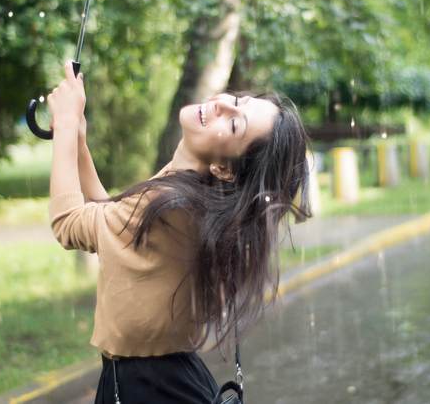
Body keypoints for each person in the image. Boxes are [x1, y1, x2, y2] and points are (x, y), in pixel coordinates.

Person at [47, 61, 311, 403]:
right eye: (239, 101)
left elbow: (69, 223)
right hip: (165, 379)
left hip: (146, 388)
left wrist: (66, 128)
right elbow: (112, 219)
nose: (223, 104)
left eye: (234, 124)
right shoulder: (186, 195)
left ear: (224, 168)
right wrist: (79, 140)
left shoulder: (171, 204)